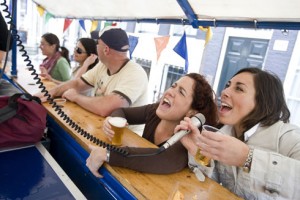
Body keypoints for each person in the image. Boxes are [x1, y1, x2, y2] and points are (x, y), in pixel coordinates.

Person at [177, 67, 300, 199]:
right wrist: (198, 152)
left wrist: (248, 158)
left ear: (262, 102)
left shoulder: (289, 138)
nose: (224, 92)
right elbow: (212, 185)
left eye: (239, 89)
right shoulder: (222, 134)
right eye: (227, 86)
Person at [86, 73, 218, 177]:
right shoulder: (154, 111)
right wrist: (113, 122)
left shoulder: (187, 137)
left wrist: (108, 154)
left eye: (181, 92)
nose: (170, 92)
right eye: (173, 86)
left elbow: (163, 159)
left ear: (192, 112)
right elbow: (121, 111)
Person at [37, 27, 148, 120]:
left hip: (127, 138)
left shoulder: (135, 73)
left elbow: (106, 108)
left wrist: (76, 97)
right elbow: (77, 84)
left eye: (97, 44)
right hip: (101, 126)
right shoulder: (102, 66)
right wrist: (50, 93)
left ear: (106, 50)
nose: (96, 47)